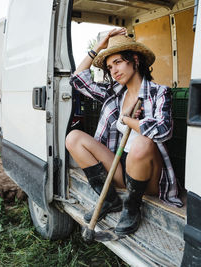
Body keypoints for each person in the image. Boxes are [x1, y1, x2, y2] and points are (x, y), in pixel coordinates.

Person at [66, 28, 183, 236]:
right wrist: (98, 47)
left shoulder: (159, 92)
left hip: (148, 177)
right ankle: (109, 200)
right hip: (120, 169)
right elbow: (78, 81)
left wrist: (129, 120)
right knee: (73, 138)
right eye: (110, 67)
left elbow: (163, 130)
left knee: (143, 142)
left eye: (118, 62)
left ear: (135, 60)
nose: (114, 70)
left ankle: (132, 207)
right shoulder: (114, 94)